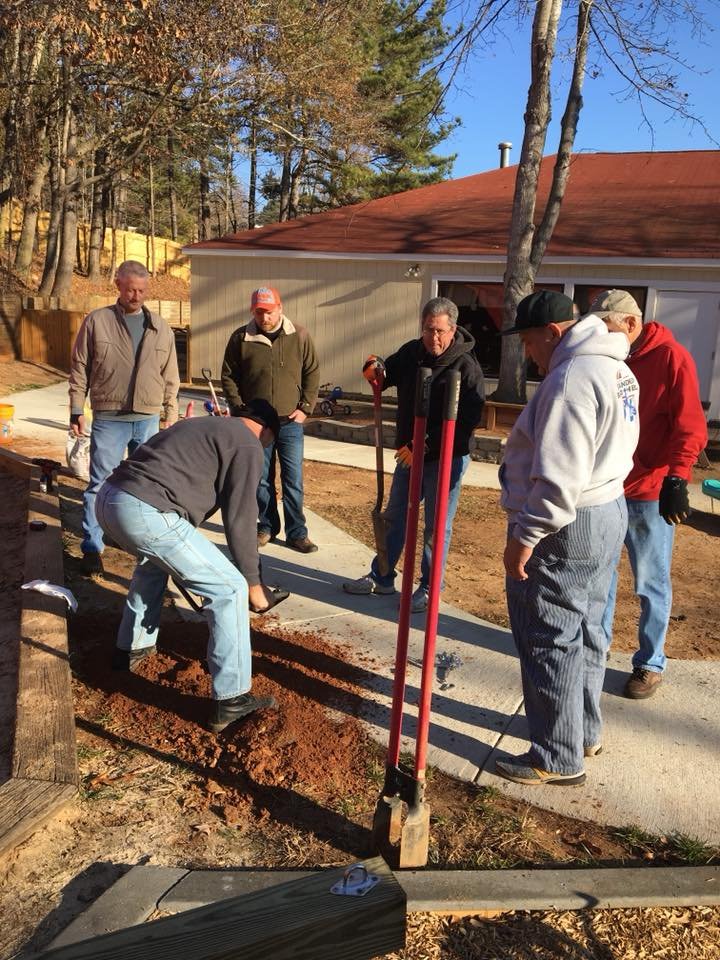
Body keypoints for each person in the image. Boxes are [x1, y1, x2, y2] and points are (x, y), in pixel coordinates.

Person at [496, 291, 639, 786]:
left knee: (548, 634)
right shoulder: (618, 370)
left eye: (530, 342)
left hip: (568, 523)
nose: (527, 353)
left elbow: (559, 476)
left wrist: (525, 535)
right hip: (606, 510)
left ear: (554, 333)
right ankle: (582, 732)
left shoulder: (570, 380)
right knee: (587, 627)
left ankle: (556, 756)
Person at [95, 400, 284, 733]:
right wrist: (254, 584)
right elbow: (240, 519)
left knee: (152, 567)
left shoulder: (202, 425)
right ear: (267, 431)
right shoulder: (248, 444)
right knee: (229, 589)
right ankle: (232, 699)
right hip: (145, 510)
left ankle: (131, 650)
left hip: (110, 499)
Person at [593, 289, 708, 700]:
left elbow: (691, 425)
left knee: (650, 580)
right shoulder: (610, 357)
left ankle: (650, 663)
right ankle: (595, 650)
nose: (600, 335)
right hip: (608, 486)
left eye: (607, 327)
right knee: (600, 576)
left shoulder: (672, 357)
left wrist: (677, 478)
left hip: (649, 490)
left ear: (630, 323)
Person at [342, 296, 485, 613]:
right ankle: (382, 576)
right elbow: (385, 373)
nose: (433, 338)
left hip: (445, 459)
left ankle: (430, 587)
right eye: (428, 330)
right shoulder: (413, 352)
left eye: (439, 332)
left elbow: (465, 424)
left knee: (435, 527)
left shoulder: (467, 369)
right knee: (395, 516)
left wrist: (424, 446)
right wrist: (375, 368)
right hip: (409, 456)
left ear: (453, 330)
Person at [69, 260, 180, 575]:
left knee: (144, 485)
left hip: (147, 417)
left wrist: (170, 413)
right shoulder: (97, 321)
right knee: (100, 483)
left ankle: (138, 545)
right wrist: (77, 408)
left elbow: (170, 375)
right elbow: (79, 368)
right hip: (109, 415)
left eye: (142, 290)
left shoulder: (160, 327)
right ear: (117, 284)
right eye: (131, 289)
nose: (136, 295)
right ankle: (92, 548)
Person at [221, 286, 320, 553]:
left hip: (290, 421)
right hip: (257, 424)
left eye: (269, 311)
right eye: (259, 312)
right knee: (261, 478)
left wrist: (305, 407)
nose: (264, 318)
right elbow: (228, 376)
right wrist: (240, 409)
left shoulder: (298, 335)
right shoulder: (241, 338)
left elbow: (312, 371)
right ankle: (266, 526)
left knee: (293, 480)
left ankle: (297, 533)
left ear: (280, 307)